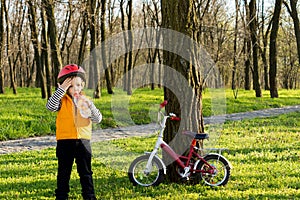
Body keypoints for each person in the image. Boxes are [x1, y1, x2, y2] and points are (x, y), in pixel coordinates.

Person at [46, 64, 102, 200]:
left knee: (86, 173)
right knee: (63, 173)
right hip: (65, 142)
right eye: (70, 86)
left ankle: (89, 197)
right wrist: (61, 90)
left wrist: (91, 106)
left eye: (77, 85)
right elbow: (50, 106)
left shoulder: (85, 101)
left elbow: (98, 119)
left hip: (83, 142)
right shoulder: (61, 101)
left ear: (82, 85)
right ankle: (61, 196)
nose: (75, 88)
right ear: (65, 88)